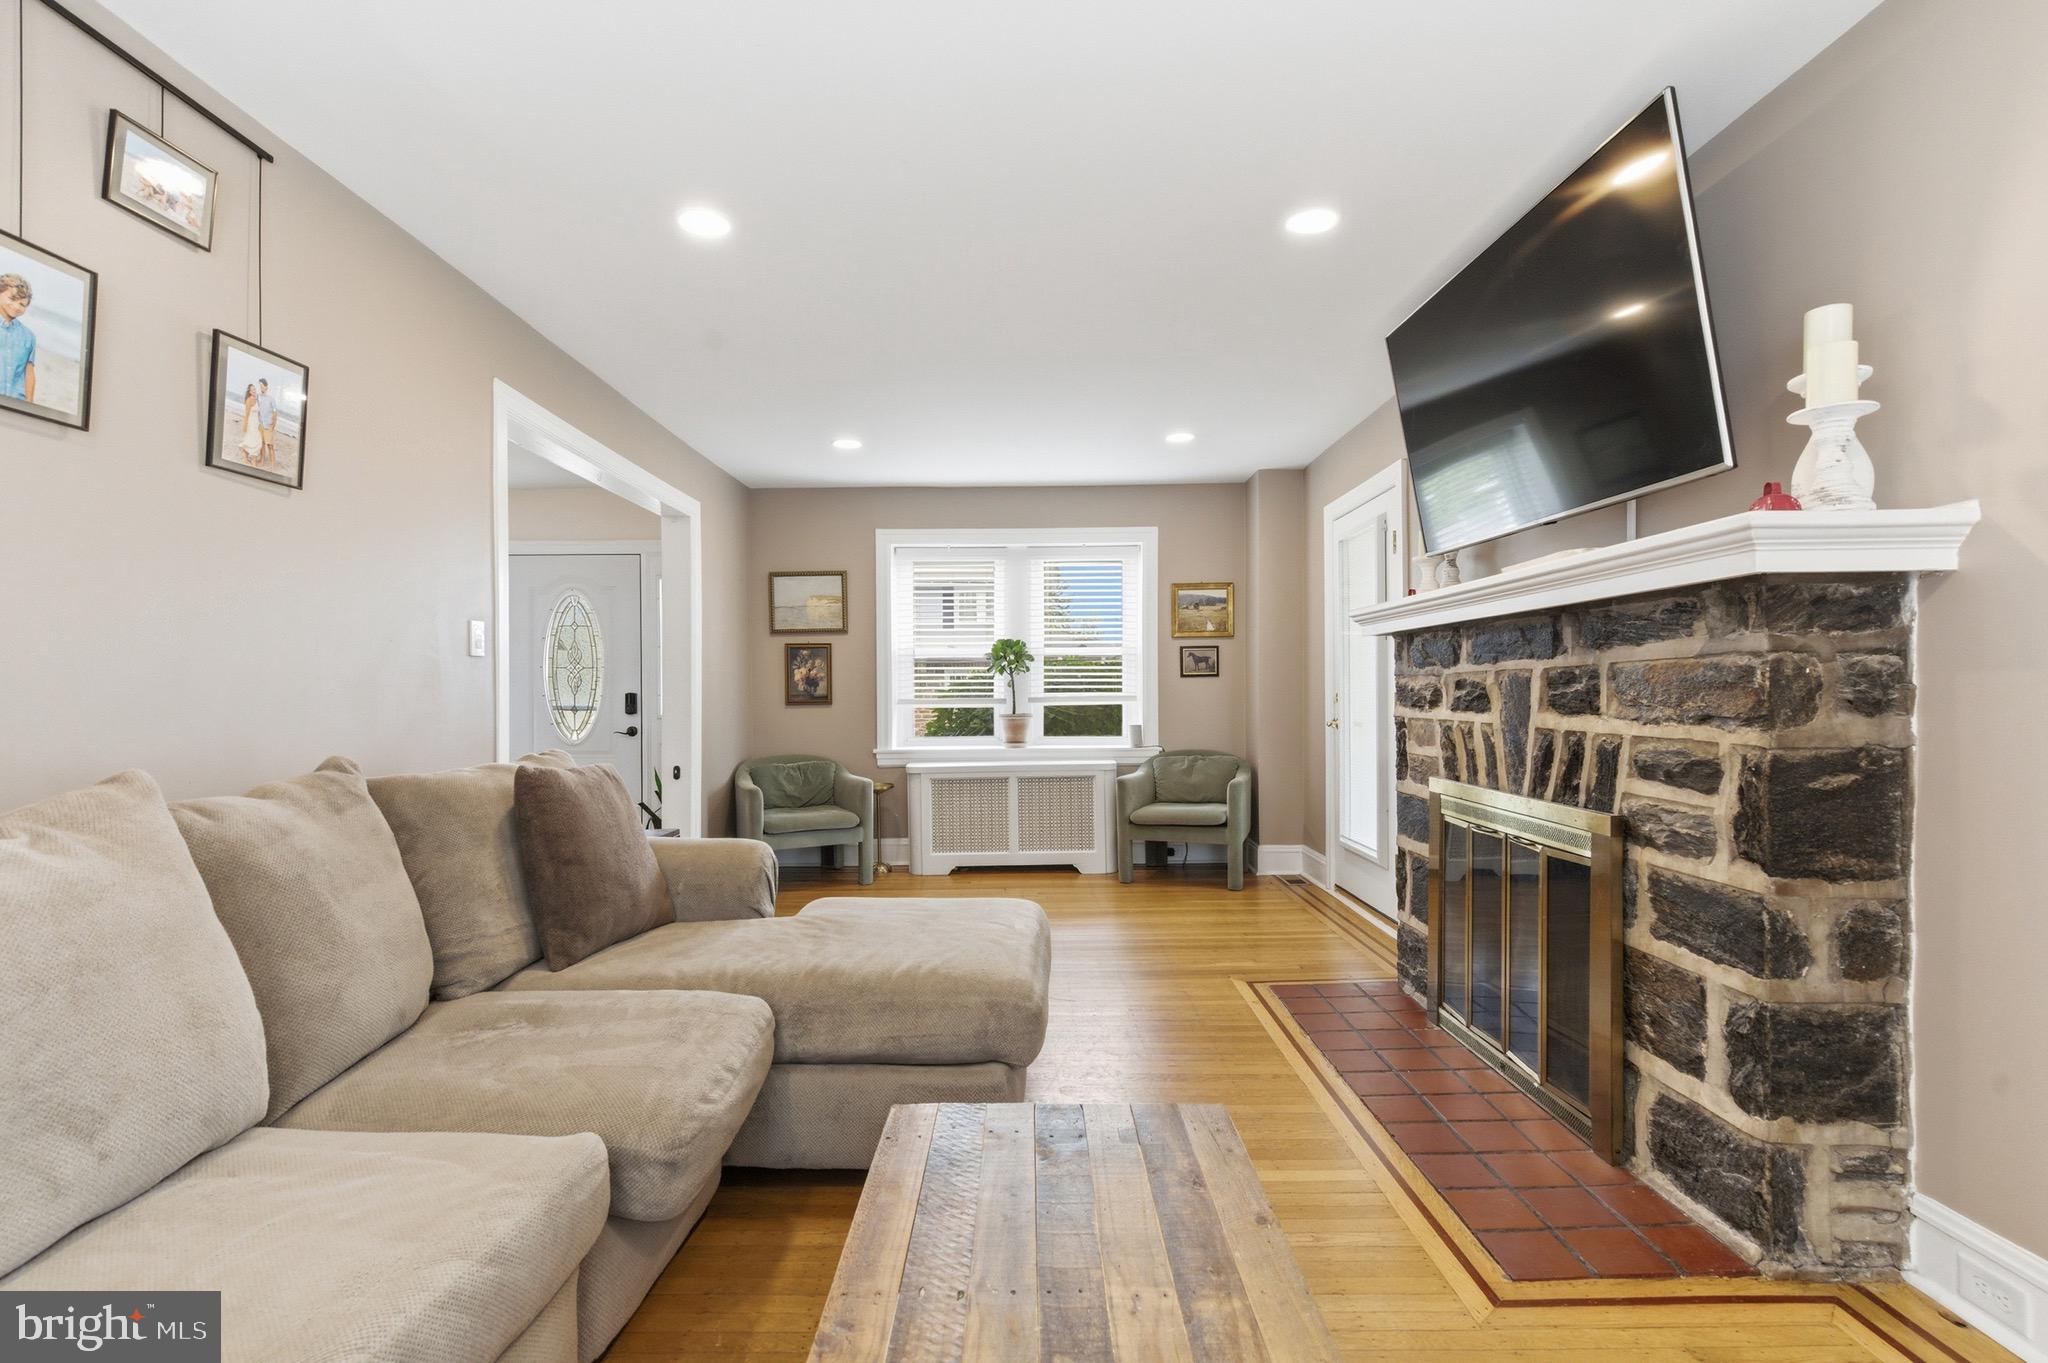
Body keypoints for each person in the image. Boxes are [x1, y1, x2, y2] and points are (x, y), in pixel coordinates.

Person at [0, 272, 38, 404]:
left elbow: (29, 373)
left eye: (22, 304)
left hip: (16, 403)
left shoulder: (28, 336)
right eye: (12, 299)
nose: (17, 306)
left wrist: (29, 403)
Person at [237, 383, 263, 465]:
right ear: (249, 392)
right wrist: (244, 425)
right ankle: (253, 459)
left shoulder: (257, 399)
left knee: (254, 440)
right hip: (251, 423)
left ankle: (246, 456)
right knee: (255, 441)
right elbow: (247, 414)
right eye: (252, 390)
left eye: (255, 389)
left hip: (256, 423)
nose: (254, 391)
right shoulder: (249, 400)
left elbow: (259, 413)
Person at [256, 378, 278, 465]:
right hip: (260, 424)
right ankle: (262, 460)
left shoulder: (271, 399)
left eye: (262, 386)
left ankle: (273, 463)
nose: (261, 388)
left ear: (266, 387)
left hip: (268, 425)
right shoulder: (258, 396)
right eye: (260, 386)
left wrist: (273, 425)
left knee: (270, 445)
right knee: (261, 444)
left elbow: (275, 412)